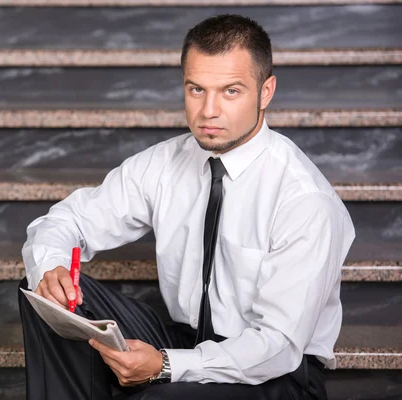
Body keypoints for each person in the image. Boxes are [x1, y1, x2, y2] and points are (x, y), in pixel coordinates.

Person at [18, 14, 355, 400]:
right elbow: (66, 220)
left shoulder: (304, 199)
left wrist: (165, 365)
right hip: (184, 338)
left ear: (266, 91)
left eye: (231, 91)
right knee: (46, 293)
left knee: (161, 397)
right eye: (197, 89)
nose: (208, 111)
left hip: (279, 374)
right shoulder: (165, 162)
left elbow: (277, 345)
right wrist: (52, 267)